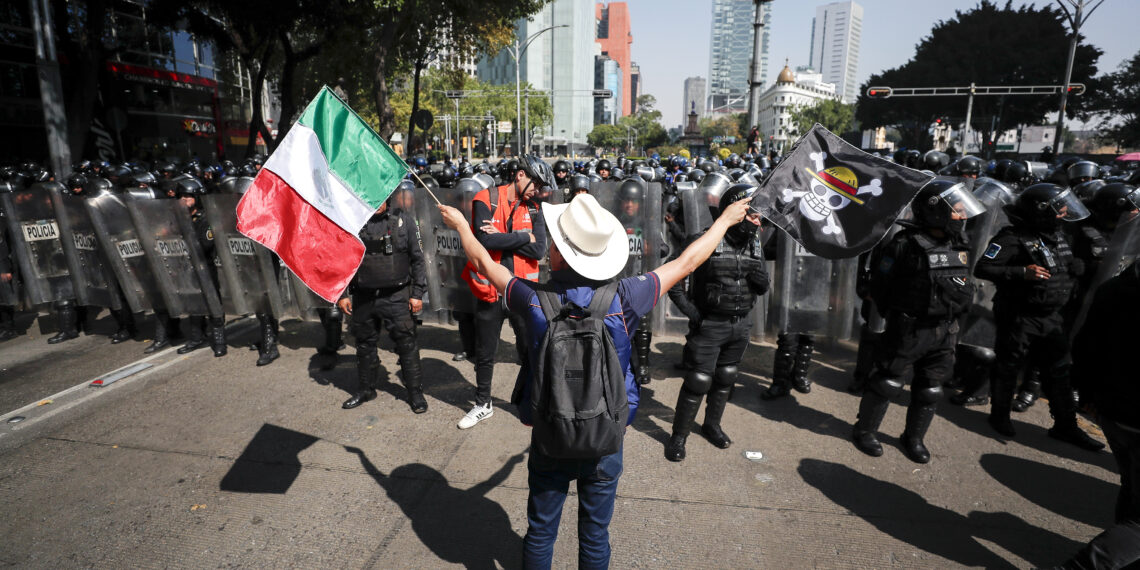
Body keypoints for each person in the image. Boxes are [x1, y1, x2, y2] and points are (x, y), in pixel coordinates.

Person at [438, 185, 752, 569]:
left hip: (551, 434)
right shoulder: (628, 297)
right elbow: (687, 262)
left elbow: (486, 264)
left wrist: (461, 226)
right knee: (595, 534)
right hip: (605, 438)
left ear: (558, 253)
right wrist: (723, 220)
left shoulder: (534, 299)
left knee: (540, 531)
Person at [852, 180, 984, 463]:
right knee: (888, 382)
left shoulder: (958, 242)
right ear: (936, 211)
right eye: (956, 210)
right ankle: (865, 431)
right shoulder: (904, 245)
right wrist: (901, 318)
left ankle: (913, 438)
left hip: (946, 330)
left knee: (930, 388)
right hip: (910, 328)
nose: (962, 215)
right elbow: (879, 288)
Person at [974, 183, 1104, 451]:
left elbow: (1063, 266)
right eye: (1059, 207)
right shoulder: (1011, 238)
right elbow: (983, 268)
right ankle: (999, 416)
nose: (1065, 211)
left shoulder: (1061, 235)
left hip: (1052, 317)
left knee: (1059, 372)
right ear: (1041, 211)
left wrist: (1078, 268)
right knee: (1009, 367)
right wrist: (1022, 272)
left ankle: (1065, 426)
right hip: (1020, 315)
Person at [664, 184, 769, 462]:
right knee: (698, 380)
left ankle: (712, 425)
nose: (758, 222)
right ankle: (678, 437)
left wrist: (760, 281)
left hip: (740, 324)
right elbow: (674, 282)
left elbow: (762, 286)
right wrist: (695, 314)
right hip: (710, 325)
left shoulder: (756, 244)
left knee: (726, 377)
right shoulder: (703, 240)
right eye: (753, 216)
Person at [456, 154, 549, 429]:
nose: (538, 190)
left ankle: (532, 399)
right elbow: (482, 240)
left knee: (529, 350)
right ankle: (483, 403)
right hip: (490, 291)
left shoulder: (535, 208)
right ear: (520, 175)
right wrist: (523, 237)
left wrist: (500, 238)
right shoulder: (486, 198)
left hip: (521, 291)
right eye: (535, 183)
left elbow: (540, 249)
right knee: (485, 353)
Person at [1059, 261, 1140, 569]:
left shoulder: (1115, 287)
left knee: (1132, 492)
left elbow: (1083, 346)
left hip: (1112, 414)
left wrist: (1090, 396)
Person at [336, 192, 428, 414]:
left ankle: (415, 392)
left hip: (396, 296)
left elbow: (417, 259)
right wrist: (342, 294)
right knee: (364, 345)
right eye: (370, 199)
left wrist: (417, 293)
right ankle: (366, 389)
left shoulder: (403, 220)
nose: (376, 203)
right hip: (364, 296)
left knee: (406, 343)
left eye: (380, 198)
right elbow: (342, 260)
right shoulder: (353, 223)